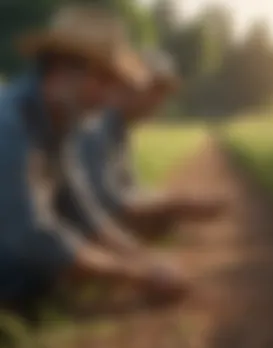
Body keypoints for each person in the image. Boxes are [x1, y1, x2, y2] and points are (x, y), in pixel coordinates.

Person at [0, 5, 189, 321]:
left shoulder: (64, 124)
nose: (107, 98)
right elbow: (30, 235)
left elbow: (82, 207)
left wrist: (143, 257)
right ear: (61, 69)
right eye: (103, 81)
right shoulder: (9, 125)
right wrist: (136, 275)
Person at [56, 48, 225, 249]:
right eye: (157, 90)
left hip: (78, 224)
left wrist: (174, 203)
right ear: (130, 85)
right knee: (157, 220)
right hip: (61, 234)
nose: (160, 102)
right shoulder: (98, 127)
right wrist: (177, 206)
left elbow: (130, 188)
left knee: (160, 219)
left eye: (164, 93)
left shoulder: (117, 127)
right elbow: (107, 203)